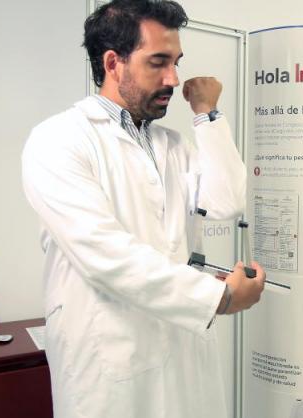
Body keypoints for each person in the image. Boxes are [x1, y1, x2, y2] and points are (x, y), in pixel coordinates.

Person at [21, 1, 265, 417]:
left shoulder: (172, 145)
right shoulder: (59, 139)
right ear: (112, 63)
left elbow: (226, 200)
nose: (173, 78)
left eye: (176, 62)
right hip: (110, 363)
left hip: (181, 350)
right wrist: (219, 297)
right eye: (158, 62)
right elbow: (103, 253)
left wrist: (207, 114)